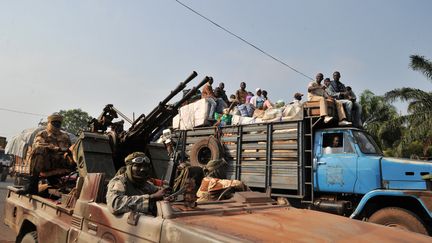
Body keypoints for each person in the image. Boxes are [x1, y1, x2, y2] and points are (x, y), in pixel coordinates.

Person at [17, 113, 73, 195]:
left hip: (61, 162)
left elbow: (70, 149)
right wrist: (55, 149)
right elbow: (39, 145)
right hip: (46, 163)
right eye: (54, 122)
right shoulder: (43, 134)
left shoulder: (65, 136)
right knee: (38, 150)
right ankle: (32, 186)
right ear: (49, 123)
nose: (56, 124)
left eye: (59, 123)